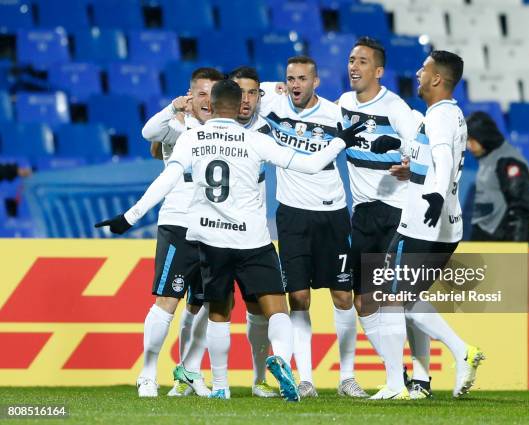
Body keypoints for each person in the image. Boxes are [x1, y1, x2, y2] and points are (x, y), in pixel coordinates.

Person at [95, 79, 366, 402]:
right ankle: (280, 357)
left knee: (218, 312)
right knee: (276, 309)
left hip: (210, 239)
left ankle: (220, 385)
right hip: (252, 239)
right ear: (240, 107)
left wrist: (129, 217)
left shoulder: (192, 137)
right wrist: (339, 142)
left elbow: (167, 179)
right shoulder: (254, 139)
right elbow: (309, 165)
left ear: (214, 104)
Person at [371, 50, 485, 399]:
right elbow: (432, 158)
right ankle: (420, 382)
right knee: (409, 299)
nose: (418, 72)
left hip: (422, 221)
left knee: (394, 298)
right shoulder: (446, 115)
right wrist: (400, 147)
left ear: (437, 78)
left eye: (425, 68)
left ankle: (451, 355)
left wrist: (434, 194)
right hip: (445, 223)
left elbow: (444, 157)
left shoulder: (440, 116)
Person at [258, 56, 367, 398]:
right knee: (299, 297)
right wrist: (270, 86)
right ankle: (305, 379)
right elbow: (243, 87)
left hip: (332, 214)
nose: (295, 85)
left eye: (302, 79)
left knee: (342, 294)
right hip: (291, 216)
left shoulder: (335, 115)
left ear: (316, 82)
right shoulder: (273, 103)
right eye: (290, 78)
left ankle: (347, 377)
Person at [337, 36, 437, 400]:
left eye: (362, 61)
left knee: (403, 299)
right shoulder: (344, 104)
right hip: (364, 214)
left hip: (399, 214)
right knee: (364, 301)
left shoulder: (395, 107)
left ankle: (422, 378)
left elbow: (420, 148)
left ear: (378, 71)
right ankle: (398, 373)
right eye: (351, 60)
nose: (353, 66)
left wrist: (410, 165)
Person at [176, 66, 278, 399]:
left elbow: (295, 87)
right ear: (233, 101)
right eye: (242, 93)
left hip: (248, 233)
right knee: (202, 305)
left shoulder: (265, 125)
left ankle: (256, 379)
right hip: (219, 234)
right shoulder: (206, 131)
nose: (247, 99)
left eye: (254, 93)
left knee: (252, 310)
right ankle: (191, 374)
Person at [137, 67, 224, 397]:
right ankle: (147, 374)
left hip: (214, 226)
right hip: (178, 223)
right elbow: (148, 132)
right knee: (167, 301)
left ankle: (188, 371)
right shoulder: (177, 127)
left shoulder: (225, 130)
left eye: (214, 94)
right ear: (190, 97)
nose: (208, 101)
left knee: (201, 304)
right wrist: (173, 108)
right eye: (201, 94)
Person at [466, 111, 529, 243]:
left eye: (471, 139)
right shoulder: (488, 160)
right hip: (490, 239)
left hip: (504, 243)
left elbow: (520, 210)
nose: (468, 145)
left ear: (483, 135)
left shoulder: (508, 162)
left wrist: (516, 250)